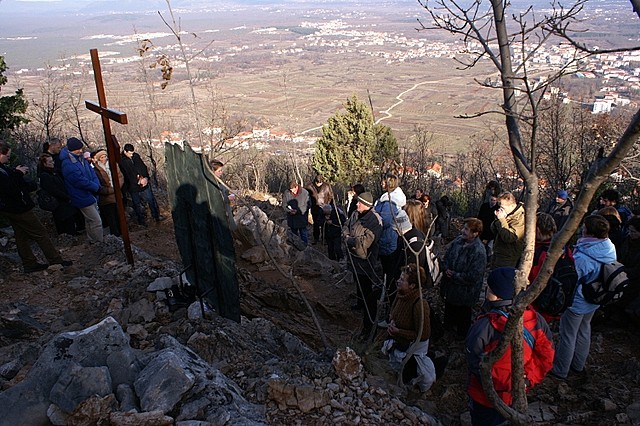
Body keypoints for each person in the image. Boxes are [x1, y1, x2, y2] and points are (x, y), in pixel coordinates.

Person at [466, 267, 554, 426]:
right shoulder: (536, 320)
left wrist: (500, 382)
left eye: (489, 287)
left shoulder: (485, 325)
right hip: (517, 395)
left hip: (484, 397)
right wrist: (525, 380)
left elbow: (474, 359)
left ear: (496, 295)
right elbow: (546, 357)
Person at [552, 214, 616, 380]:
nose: (581, 229)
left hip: (578, 301)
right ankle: (578, 364)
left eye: (584, 228)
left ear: (590, 232)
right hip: (595, 299)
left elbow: (574, 278)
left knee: (568, 334)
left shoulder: (584, 256)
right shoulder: (608, 248)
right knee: (584, 330)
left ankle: (561, 370)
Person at [0, 142, 71, 272]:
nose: (8, 158)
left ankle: (29, 263)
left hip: (11, 208)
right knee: (40, 233)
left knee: (21, 236)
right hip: (18, 208)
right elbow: (9, 188)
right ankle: (55, 259)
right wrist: (18, 174)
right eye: (7, 156)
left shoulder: (3, 168)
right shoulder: (2, 171)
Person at [381, 263, 436, 392]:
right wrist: (392, 322)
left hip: (411, 348)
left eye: (402, 280)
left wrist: (399, 331)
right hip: (399, 342)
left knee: (410, 378)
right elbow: (394, 313)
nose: (398, 281)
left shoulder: (419, 305)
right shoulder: (401, 295)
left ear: (412, 286)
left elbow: (423, 334)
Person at [440, 218, 486, 338]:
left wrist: (455, 276)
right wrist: (445, 269)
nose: (462, 231)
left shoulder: (479, 251)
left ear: (475, 233)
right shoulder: (458, 241)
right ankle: (447, 331)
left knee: (463, 316)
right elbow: (447, 257)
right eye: (464, 228)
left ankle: (461, 336)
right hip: (451, 289)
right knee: (449, 311)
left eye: (466, 229)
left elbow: (474, 276)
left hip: (466, 294)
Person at [344, 191, 382, 335]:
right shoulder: (355, 214)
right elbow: (345, 226)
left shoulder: (375, 220)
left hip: (366, 261)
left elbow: (366, 242)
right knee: (358, 283)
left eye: (359, 203)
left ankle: (368, 318)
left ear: (366, 205)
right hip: (354, 258)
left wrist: (349, 240)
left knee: (366, 288)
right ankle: (360, 304)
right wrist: (347, 236)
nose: (357, 204)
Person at [60, 137, 104, 243]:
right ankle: (99, 242)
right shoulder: (67, 164)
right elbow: (78, 180)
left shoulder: (81, 159)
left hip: (90, 193)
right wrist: (95, 187)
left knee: (90, 220)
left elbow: (91, 172)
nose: (81, 151)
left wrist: (96, 185)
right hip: (80, 195)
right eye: (78, 149)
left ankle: (92, 240)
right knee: (95, 220)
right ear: (72, 149)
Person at [37, 153, 84, 236]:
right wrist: (66, 197)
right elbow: (53, 190)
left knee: (70, 220)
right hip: (58, 203)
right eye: (50, 162)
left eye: (52, 161)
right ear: (44, 164)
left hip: (64, 201)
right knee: (64, 223)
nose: (53, 163)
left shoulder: (55, 172)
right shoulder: (45, 176)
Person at [119, 143, 165, 226]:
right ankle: (141, 221)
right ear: (125, 151)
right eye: (130, 153)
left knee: (151, 200)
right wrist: (137, 181)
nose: (131, 155)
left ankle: (156, 216)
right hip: (133, 186)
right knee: (137, 204)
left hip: (144, 183)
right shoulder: (122, 161)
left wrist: (146, 178)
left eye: (132, 153)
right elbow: (126, 175)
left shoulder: (136, 156)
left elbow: (143, 167)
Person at [375, 173, 406, 294]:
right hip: (391, 239)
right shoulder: (390, 199)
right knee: (390, 271)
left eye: (383, 181)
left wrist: (375, 216)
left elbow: (385, 221)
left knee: (388, 271)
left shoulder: (389, 202)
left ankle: (388, 294)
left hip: (387, 240)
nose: (381, 183)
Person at [92, 149, 124, 237]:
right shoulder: (95, 170)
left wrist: (117, 187)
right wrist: (110, 190)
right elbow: (98, 186)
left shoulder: (114, 165)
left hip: (117, 195)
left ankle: (122, 234)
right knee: (111, 219)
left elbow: (120, 177)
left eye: (105, 156)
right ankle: (115, 236)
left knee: (119, 217)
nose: (104, 159)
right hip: (106, 199)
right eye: (102, 157)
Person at [491, 191, 525, 268]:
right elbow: (494, 231)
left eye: (503, 207)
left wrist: (502, 219)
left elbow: (509, 237)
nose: (500, 210)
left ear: (512, 205)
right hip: (498, 252)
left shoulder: (520, 218)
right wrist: (497, 219)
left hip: (509, 257)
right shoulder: (506, 214)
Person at [305, 174, 334, 244]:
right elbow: (306, 197)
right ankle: (316, 238)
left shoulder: (327, 186)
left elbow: (331, 196)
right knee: (316, 224)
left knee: (325, 224)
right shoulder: (309, 187)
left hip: (325, 208)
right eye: (317, 183)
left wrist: (328, 206)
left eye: (320, 183)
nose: (319, 184)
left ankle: (324, 239)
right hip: (314, 208)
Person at [209, 159, 236, 231]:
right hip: (220, 216)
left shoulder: (219, 181)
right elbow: (215, 200)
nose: (221, 172)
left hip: (227, 211)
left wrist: (231, 192)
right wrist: (227, 198)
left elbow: (224, 191)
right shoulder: (211, 184)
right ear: (212, 172)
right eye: (219, 171)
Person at [282, 180, 310, 245]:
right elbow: (284, 204)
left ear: (296, 187)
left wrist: (298, 211)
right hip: (292, 218)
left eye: (293, 190)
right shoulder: (287, 192)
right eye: (290, 190)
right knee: (294, 235)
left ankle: (305, 247)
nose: (291, 191)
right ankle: (295, 247)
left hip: (302, 218)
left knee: (303, 234)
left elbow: (308, 205)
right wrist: (289, 210)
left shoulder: (305, 193)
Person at [477, 193, 499, 259]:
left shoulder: (497, 209)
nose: (492, 201)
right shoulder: (484, 206)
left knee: (490, 249)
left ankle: (488, 260)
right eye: (491, 199)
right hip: (482, 229)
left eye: (494, 200)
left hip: (492, 232)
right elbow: (479, 217)